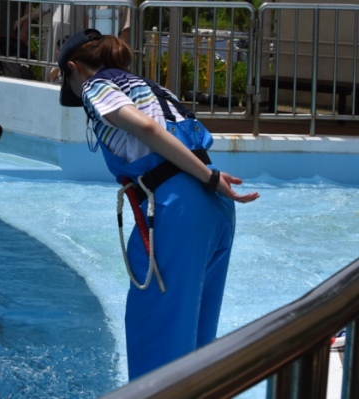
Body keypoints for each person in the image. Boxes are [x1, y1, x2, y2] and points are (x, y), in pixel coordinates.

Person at [57, 29, 259, 381]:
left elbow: (147, 129)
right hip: (215, 209)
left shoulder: (94, 85)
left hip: (181, 206)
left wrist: (208, 178)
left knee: (157, 342)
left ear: (74, 67)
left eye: (66, 80)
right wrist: (209, 178)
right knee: (196, 344)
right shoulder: (146, 84)